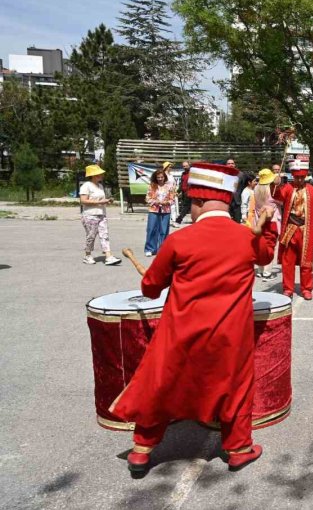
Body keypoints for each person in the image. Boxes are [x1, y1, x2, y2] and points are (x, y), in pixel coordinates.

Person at [112, 162, 277, 476]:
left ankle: (141, 451)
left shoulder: (179, 240)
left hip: (182, 333)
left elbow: (150, 288)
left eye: (191, 204)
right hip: (230, 337)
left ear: (199, 202)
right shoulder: (246, 239)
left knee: (160, 384)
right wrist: (266, 223)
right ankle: (239, 448)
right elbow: (267, 253)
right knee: (236, 387)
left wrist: (152, 281)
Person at [274, 161, 313, 300]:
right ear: (293, 176)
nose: (299, 180)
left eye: (302, 177)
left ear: (305, 176)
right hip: (290, 230)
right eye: (297, 178)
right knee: (288, 262)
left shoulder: (312, 191)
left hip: (307, 231)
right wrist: (275, 184)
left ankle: (307, 288)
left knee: (307, 262)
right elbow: (276, 196)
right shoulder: (287, 188)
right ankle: (288, 288)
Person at [79, 165, 121, 266]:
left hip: (101, 214)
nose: (102, 175)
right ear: (93, 175)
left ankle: (108, 256)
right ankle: (87, 255)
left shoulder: (100, 186)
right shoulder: (86, 186)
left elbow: (100, 201)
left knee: (104, 235)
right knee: (91, 236)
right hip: (90, 215)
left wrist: (106, 201)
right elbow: (83, 201)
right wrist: (100, 202)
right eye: (99, 173)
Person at [249, 169, 277, 281]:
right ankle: (267, 272)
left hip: (258, 220)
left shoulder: (255, 188)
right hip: (271, 221)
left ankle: (260, 270)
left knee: (260, 245)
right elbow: (278, 203)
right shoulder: (271, 190)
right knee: (270, 246)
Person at [144, 169, 176, 257]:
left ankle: (162, 249)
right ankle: (150, 249)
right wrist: (155, 201)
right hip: (154, 209)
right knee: (151, 229)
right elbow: (147, 198)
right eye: (158, 177)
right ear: (155, 178)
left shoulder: (170, 186)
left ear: (164, 177)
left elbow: (172, 199)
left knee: (164, 230)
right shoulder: (152, 186)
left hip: (166, 210)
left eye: (162, 177)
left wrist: (167, 203)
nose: (160, 179)